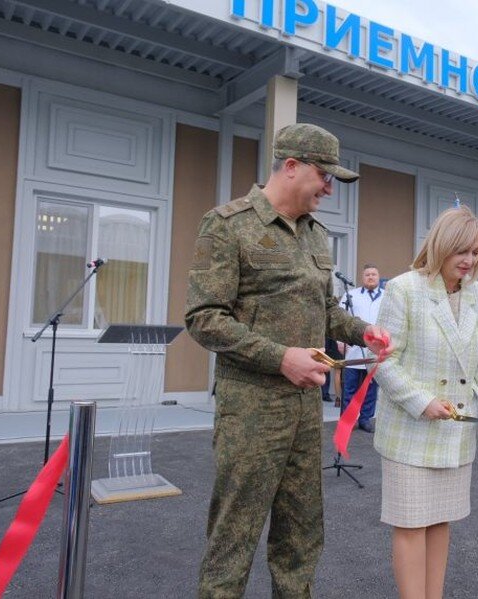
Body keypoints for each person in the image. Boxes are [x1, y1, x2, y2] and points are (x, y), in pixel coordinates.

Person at [185, 123, 393, 598]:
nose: (328, 187)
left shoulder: (316, 236)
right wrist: (281, 359)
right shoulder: (227, 225)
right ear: (292, 167)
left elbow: (325, 311)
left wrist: (366, 332)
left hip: (303, 412)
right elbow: (203, 317)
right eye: (325, 176)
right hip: (251, 412)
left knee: (301, 539)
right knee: (232, 541)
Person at [373, 206, 478, 599]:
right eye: (461, 252)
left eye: (476, 252)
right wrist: (422, 401)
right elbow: (382, 363)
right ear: (440, 246)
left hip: (454, 437)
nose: (469, 261)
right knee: (411, 524)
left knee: (439, 522)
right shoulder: (404, 289)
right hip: (410, 432)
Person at [340, 263, 384, 432]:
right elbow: (341, 319)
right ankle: (348, 420)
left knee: (371, 388)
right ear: (362, 277)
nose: (371, 277)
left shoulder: (387, 296)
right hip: (353, 349)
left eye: (373, 274)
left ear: (378, 277)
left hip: (376, 350)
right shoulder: (350, 295)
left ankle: (365, 419)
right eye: (367, 275)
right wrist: (339, 342)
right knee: (350, 387)